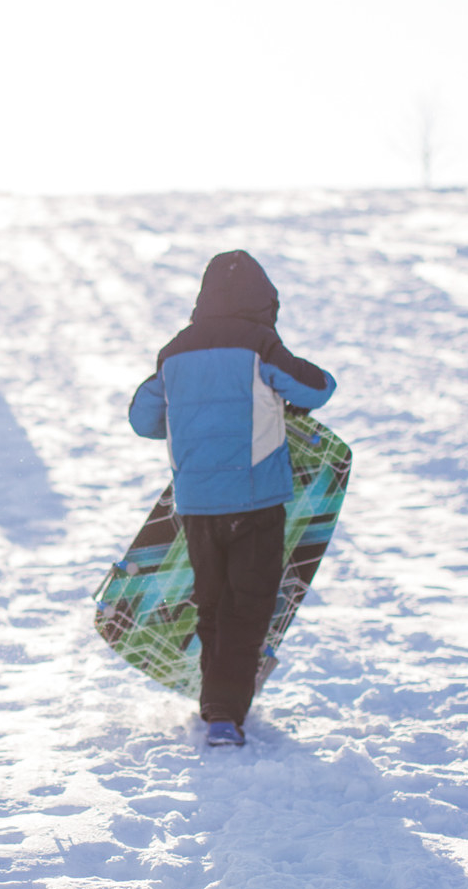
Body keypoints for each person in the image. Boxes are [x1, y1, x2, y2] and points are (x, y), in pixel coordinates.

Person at [127, 251, 335, 748]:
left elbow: (143, 419)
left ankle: (215, 702)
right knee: (249, 608)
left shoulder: (175, 350)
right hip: (256, 502)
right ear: (265, 302)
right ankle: (224, 715)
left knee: (213, 605)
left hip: (196, 505)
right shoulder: (259, 343)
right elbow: (317, 387)